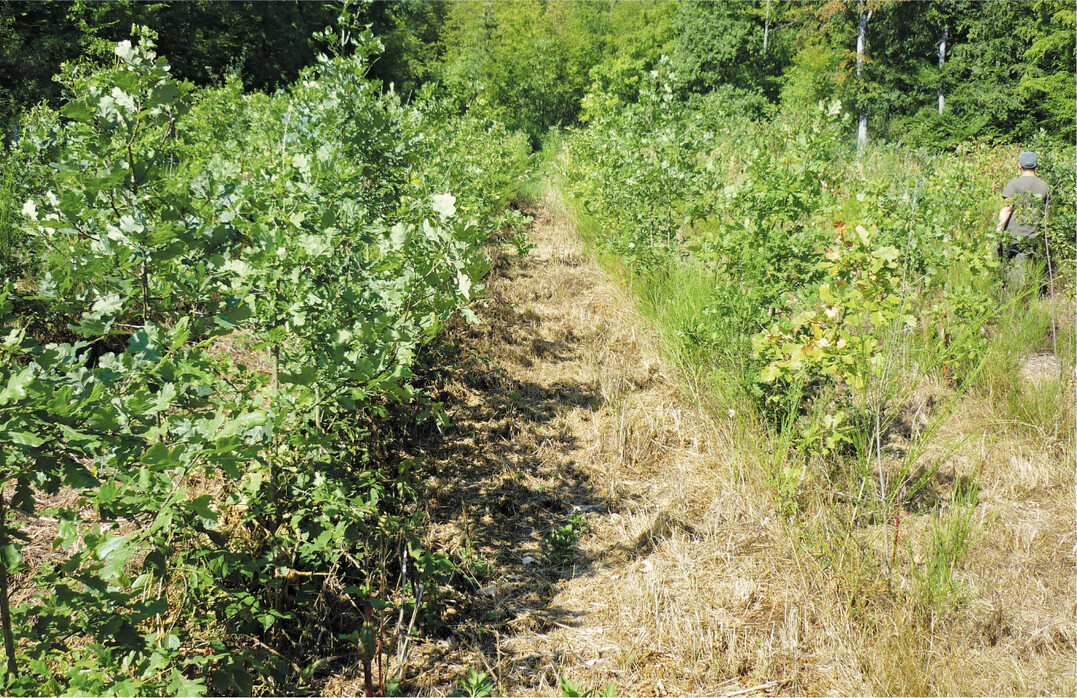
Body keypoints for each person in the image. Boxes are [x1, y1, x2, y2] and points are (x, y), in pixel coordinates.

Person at [996, 150, 1050, 270]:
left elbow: (1008, 208)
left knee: (1003, 267)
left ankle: (1004, 287)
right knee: (1022, 270)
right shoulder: (1044, 186)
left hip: (1012, 235)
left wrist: (999, 228)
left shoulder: (1014, 184)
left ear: (1019, 165)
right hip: (1031, 236)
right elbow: (1045, 213)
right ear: (1036, 165)